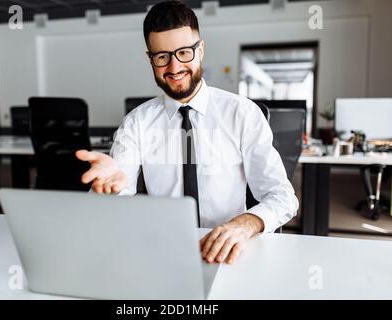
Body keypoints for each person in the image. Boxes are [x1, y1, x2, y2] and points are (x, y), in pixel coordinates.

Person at [76, 0, 298, 265]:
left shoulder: (242, 113)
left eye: (184, 52)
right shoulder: (136, 122)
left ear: (200, 50)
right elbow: (117, 192)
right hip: (163, 250)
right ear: (150, 59)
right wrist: (109, 189)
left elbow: (282, 197)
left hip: (229, 249)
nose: (174, 67)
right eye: (162, 57)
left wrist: (247, 223)